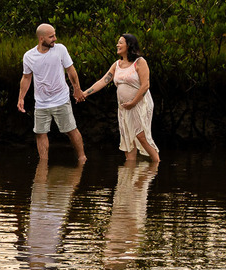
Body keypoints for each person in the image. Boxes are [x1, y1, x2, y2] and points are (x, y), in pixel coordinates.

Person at [78, 33, 160, 163]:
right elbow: (103, 81)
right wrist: (85, 93)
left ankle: (156, 163)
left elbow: (145, 86)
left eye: (120, 42)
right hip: (124, 107)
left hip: (140, 104)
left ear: (129, 45)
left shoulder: (140, 62)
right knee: (128, 137)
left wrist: (133, 102)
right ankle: (129, 174)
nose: (117, 45)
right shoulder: (116, 65)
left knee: (141, 135)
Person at [17, 23, 87, 164]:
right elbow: (26, 77)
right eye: (51, 36)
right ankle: (43, 163)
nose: (55, 38)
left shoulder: (60, 49)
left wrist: (77, 89)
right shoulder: (29, 56)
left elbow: (71, 70)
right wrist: (21, 98)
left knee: (71, 129)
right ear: (41, 38)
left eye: (55, 35)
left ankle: (82, 158)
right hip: (41, 102)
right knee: (40, 133)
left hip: (61, 99)